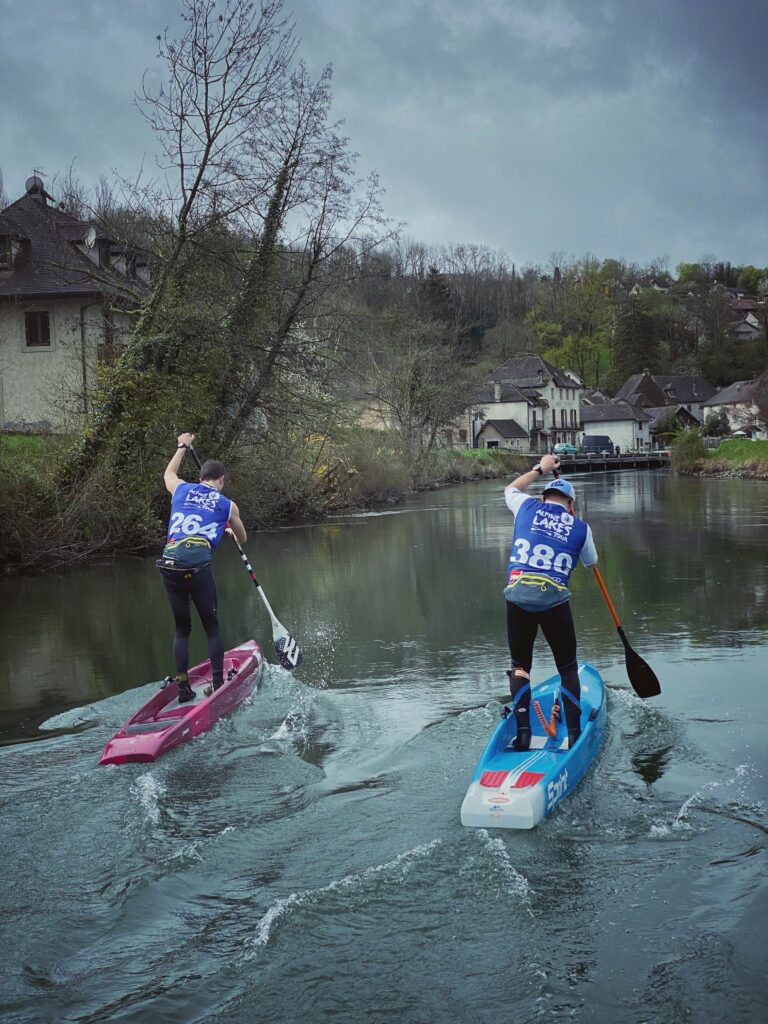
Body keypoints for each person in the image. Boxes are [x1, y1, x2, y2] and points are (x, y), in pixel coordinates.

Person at [502, 453, 598, 750]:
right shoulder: (581, 528)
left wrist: (540, 469)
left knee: (520, 666)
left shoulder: (526, 507)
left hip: (517, 597)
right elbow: (591, 563)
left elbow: (510, 489)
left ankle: (524, 735)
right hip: (554, 602)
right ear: (571, 506)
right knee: (567, 668)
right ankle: (573, 734)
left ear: (544, 499)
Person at [158, 432, 247, 702]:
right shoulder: (227, 504)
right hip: (197, 569)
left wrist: (182, 447)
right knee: (212, 627)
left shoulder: (181, 488)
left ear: (200, 479)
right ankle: (218, 684)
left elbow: (168, 474)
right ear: (221, 480)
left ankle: (183, 687)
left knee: (182, 629)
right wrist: (230, 527)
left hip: (169, 565)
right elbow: (243, 538)